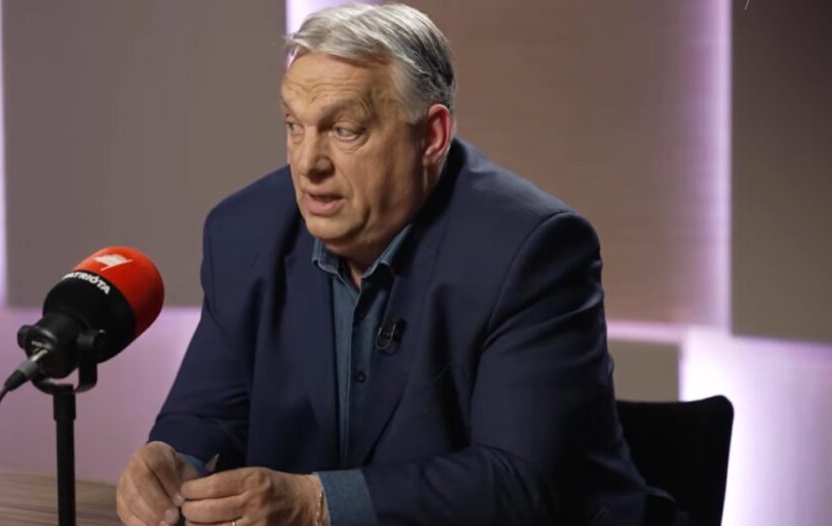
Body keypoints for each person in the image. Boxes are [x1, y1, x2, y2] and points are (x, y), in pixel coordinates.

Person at [117, 4, 679, 525]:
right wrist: (170, 464)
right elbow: (205, 416)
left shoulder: (531, 250)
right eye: (294, 126)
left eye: (344, 130)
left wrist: (315, 503)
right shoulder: (243, 234)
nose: (308, 164)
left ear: (431, 135)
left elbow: (518, 482)